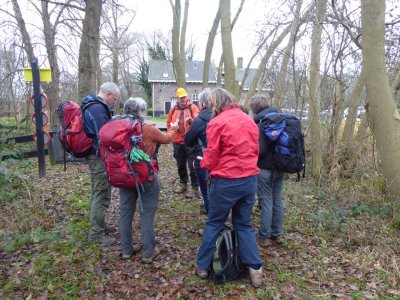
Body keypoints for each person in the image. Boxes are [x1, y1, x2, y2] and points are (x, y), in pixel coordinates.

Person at [195, 88, 263, 288]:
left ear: (214, 103)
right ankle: (255, 269)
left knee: (214, 223)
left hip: (226, 182)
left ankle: (202, 266)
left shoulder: (217, 123)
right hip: (249, 179)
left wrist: (202, 163)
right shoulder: (248, 119)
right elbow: (255, 150)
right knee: (244, 224)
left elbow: (212, 156)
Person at [119, 97, 179, 262]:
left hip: (124, 175)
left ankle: (126, 250)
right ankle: (148, 251)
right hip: (145, 176)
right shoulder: (148, 129)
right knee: (146, 213)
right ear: (142, 112)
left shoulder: (119, 128)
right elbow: (167, 139)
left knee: (125, 212)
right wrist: (174, 128)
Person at [82, 82, 120, 246]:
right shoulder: (97, 109)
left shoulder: (92, 106)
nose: (115, 101)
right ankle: (96, 234)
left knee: (97, 191)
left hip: (94, 155)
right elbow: (105, 136)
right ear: (109, 94)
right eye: (115, 98)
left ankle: (98, 225)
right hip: (98, 157)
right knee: (102, 193)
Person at [250, 94, 285, 247]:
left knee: (266, 200)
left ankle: (264, 236)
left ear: (254, 109)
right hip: (280, 166)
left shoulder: (260, 123)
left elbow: (260, 150)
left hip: (264, 168)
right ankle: (276, 234)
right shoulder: (280, 119)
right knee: (277, 198)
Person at [166, 87, 200, 195]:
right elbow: (168, 123)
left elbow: (198, 122)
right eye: (181, 97)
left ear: (187, 96)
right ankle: (183, 184)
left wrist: (191, 121)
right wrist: (171, 132)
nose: (183, 99)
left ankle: (195, 188)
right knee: (180, 164)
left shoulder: (193, 108)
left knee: (192, 165)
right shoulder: (173, 109)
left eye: (184, 96)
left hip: (190, 142)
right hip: (177, 141)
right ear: (177, 97)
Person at [184, 88, 212, 215]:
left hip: (203, 159)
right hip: (222, 161)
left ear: (202, 104)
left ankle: (210, 212)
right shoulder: (221, 116)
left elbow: (188, 140)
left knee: (206, 190)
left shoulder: (200, 120)